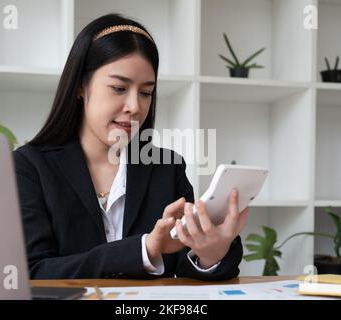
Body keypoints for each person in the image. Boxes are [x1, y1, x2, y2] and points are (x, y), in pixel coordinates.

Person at [13, 13, 249, 280]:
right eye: (118, 88)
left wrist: (210, 253)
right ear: (80, 85)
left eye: (146, 92)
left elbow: (188, 270)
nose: (135, 107)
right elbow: (31, 272)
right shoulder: (29, 167)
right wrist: (144, 249)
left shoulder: (166, 168)